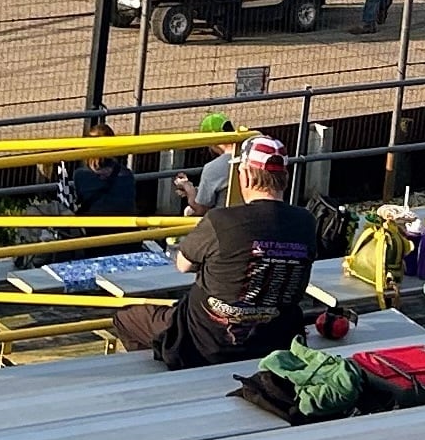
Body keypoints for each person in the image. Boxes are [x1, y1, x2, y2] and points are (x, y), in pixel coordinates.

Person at [120, 133, 317, 369]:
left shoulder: (220, 220)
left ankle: (162, 382)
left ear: (244, 175)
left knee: (126, 317)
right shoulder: (306, 222)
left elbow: (183, 265)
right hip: (275, 341)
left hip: (204, 342)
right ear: (284, 177)